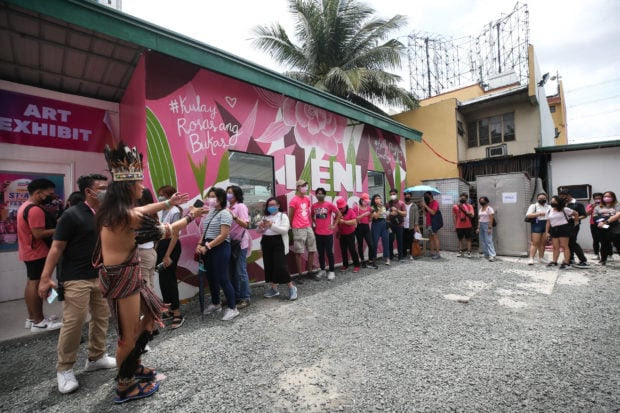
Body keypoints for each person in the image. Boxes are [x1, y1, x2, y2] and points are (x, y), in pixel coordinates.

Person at [96, 142, 202, 404]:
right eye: (139, 183)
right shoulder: (127, 216)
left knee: (148, 321)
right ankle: (125, 384)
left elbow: (142, 209)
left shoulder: (116, 211)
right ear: (128, 187)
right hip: (122, 279)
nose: (143, 188)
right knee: (127, 336)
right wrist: (191, 216)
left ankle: (134, 365)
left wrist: (167, 202)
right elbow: (168, 230)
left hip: (128, 275)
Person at [37, 174, 116, 394]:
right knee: (74, 321)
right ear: (89, 192)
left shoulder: (105, 213)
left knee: (102, 317)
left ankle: (96, 356)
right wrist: (45, 277)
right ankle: (64, 368)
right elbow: (56, 248)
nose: (107, 191)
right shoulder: (71, 215)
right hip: (75, 277)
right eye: (102, 188)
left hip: (100, 275)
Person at [17, 178, 62, 332]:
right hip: (37, 252)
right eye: (49, 194)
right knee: (36, 284)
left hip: (29, 251)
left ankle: (32, 318)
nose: (51, 197)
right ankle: (39, 322)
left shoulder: (25, 206)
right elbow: (38, 234)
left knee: (31, 282)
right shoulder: (35, 209)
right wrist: (61, 228)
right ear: (38, 193)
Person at [196, 187, 239, 321]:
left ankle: (233, 308)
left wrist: (207, 246)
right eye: (209, 196)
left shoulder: (225, 213)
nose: (210, 199)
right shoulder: (211, 212)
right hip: (208, 248)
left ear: (220, 198)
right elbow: (205, 231)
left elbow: (224, 235)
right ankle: (216, 303)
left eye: (213, 196)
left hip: (220, 248)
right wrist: (199, 244)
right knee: (211, 277)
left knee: (222, 278)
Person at [156, 185, 184, 328]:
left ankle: (177, 313)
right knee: (163, 279)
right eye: (159, 194)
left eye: (163, 195)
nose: (160, 197)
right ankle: (169, 309)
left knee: (170, 279)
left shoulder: (175, 211)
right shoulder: (161, 210)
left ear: (170, 196)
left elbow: (175, 235)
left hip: (171, 247)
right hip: (161, 246)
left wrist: (167, 255)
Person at [258, 197, 297, 300]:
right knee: (269, 265)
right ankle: (274, 289)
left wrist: (271, 225)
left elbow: (284, 230)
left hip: (279, 243)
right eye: (269, 205)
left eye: (273, 205)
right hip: (266, 242)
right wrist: (261, 227)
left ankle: (292, 287)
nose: (271, 207)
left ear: (278, 205)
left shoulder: (283, 216)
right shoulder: (266, 217)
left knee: (280, 266)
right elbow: (259, 231)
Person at [227, 185, 252, 309]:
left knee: (240, 271)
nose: (228, 195)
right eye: (227, 192)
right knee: (232, 272)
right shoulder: (228, 207)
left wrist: (234, 216)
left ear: (236, 195)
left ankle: (245, 297)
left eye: (230, 192)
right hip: (230, 243)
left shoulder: (240, 206)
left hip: (240, 243)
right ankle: (236, 297)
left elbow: (246, 224)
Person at [288, 179, 317, 282]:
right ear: (298, 188)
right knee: (299, 252)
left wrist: (310, 224)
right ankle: (300, 275)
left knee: (312, 249)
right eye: (303, 186)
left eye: (306, 185)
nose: (305, 187)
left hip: (308, 226)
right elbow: (290, 216)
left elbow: (307, 213)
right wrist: (293, 227)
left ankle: (310, 272)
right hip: (298, 228)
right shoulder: (293, 200)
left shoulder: (307, 199)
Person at [311, 187, 340, 280]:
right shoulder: (314, 206)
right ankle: (322, 270)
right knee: (320, 253)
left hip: (328, 234)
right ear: (316, 195)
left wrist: (334, 225)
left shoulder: (329, 204)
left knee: (329, 253)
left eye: (321, 193)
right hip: (318, 234)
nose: (320, 195)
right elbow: (312, 215)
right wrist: (315, 223)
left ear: (324, 195)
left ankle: (331, 271)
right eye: (318, 193)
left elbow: (339, 214)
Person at [545, 195, 578, 270]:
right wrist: (546, 232)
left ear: (559, 202)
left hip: (563, 228)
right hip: (554, 229)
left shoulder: (565, 209)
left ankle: (566, 262)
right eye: (551, 201)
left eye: (554, 201)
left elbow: (576, 213)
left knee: (564, 246)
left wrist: (576, 222)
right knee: (555, 246)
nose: (552, 202)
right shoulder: (549, 210)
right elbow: (548, 222)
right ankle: (554, 261)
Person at [559, 189, 589, 267]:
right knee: (567, 243)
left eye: (563, 196)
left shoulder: (578, 204)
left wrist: (576, 218)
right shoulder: (562, 204)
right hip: (563, 226)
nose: (562, 198)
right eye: (561, 197)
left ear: (569, 195)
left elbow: (584, 215)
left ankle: (583, 260)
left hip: (574, 225)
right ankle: (571, 259)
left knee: (572, 242)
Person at [137, 188, 158, 290]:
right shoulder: (152, 213)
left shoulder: (140, 214)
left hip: (143, 252)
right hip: (150, 251)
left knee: (146, 288)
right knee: (150, 285)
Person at [594, 191, 620, 266]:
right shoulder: (598, 207)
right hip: (602, 227)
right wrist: (600, 222)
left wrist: (606, 221)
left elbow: (618, 215)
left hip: (615, 227)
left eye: (609, 196)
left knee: (618, 244)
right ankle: (603, 260)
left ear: (613, 197)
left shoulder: (617, 205)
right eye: (605, 196)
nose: (606, 198)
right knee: (604, 244)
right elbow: (595, 216)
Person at [353, 193, 378, 269]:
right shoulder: (356, 208)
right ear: (361, 200)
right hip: (359, 227)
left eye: (367, 201)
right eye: (365, 201)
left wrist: (371, 214)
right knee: (360, 245)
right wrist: (364, 214)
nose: (366, 203)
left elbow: (370, 220)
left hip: (366, 227)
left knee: (371, 244)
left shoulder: (369, 208)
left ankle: (371, 260)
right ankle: (362, 260)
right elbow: (355, 219)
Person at [336, 197, 360, 273]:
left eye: (341, 208)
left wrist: (344, 222)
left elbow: (354, 221)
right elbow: (337, 222)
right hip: (342, 234)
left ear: (345, 206)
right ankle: (345, 265)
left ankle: (357, 265)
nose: (340, 209)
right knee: (343, 250)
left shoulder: (350, 211)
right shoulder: (338, 212)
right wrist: (338, 232)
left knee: (352, 249)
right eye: (339, 208)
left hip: (350, 234)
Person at [526, 193, 551, 265]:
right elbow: (528, 215)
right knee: (535, 242)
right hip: (537, 224)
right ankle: (531, 258)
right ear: (537, 199)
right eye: (540, 198)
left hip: (546, 223)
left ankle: (541, 258)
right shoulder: (533, 206)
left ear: (546, 199)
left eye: (543, 198)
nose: (542, 199)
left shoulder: (549, 206)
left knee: (543, 243)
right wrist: (539, 214)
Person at [370, 194, 391, 265]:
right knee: (375, 242)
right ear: (374, 200)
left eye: (379, 198)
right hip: (376, 224)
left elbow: (385, 216)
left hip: (384, 224)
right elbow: (376, 217)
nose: (378, 199)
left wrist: (388, 215)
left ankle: (387, 258)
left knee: (386, 241)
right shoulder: (372, 207)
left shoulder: (383, 206)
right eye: (376, 198)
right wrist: (380, 208)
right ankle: (374, 258)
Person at [452, 193, 474, 258]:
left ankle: (469, 252)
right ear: (459, 198)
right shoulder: (455, 206)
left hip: (468, 225)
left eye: (464, 198)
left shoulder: (469, 206)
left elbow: (472, 215)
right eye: (461, 198)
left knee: (468, 239)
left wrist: (467, 212)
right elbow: (454, 216)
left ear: (466, 199)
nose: (462, 199)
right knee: (460, 239)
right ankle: (460, 251)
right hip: (459, 225)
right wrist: (455, 225)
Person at [387, 188, 407, 261]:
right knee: (390, 240)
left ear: (397, 194)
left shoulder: (401, 203)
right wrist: (390, 214)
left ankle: (400, 256)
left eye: (394, 194)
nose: (392, 196)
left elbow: (405, 214)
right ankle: (390, 256)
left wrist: (397, 211)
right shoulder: (388, 204)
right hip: (391, 225)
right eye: (391, 194)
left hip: (399, 225)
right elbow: (385, 214)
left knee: (400, 241)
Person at [421, 191, 441, 259]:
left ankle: (438, 254)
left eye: (426, 195)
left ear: (430, 195)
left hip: (433, 224)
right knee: (431, 239)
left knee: (435, 238)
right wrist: (423, 208)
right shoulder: (428, 203)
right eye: (424, 196)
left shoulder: (435, 202)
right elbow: (426, 215)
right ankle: (432, 252)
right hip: (428, 224)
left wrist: (425, 206)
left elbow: (433, 212)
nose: (425, 197)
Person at [476, 196, 497, 262]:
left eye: (482, 200)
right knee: (483, 240)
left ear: (486, 201)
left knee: (488, 241)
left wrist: (489, 228)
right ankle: (486, 254)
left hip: (487, 224)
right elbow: (479, 219)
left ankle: (492, 255)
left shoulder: (489, 209)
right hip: (481, 225)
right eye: (480, 201)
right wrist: (478, 227)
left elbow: (491, 219)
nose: (481, 202)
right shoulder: (480, 209)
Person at [402, 191, 420, 260]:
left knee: (411, 241)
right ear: (404, 196)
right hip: (403, 225)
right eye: (406, 195)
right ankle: (404, 254)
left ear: (411, 196)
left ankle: (411, 254)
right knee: (403, 240)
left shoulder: (414, 205)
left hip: (411, 226)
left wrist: (416, 225)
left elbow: (416, 216)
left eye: (408, 195)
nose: (407, 197)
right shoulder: (402, 205)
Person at [586, 193, 604, 261]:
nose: (598, 200)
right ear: (594, 199)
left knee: (605, 240)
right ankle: (596, 254)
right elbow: (586, 214)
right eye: (596, 198)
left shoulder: (606, 205)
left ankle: (609, 254)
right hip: (593, 224)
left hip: (604, 224)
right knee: (595, 239)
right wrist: (592, 208)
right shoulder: (590, 205)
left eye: (599, 198)